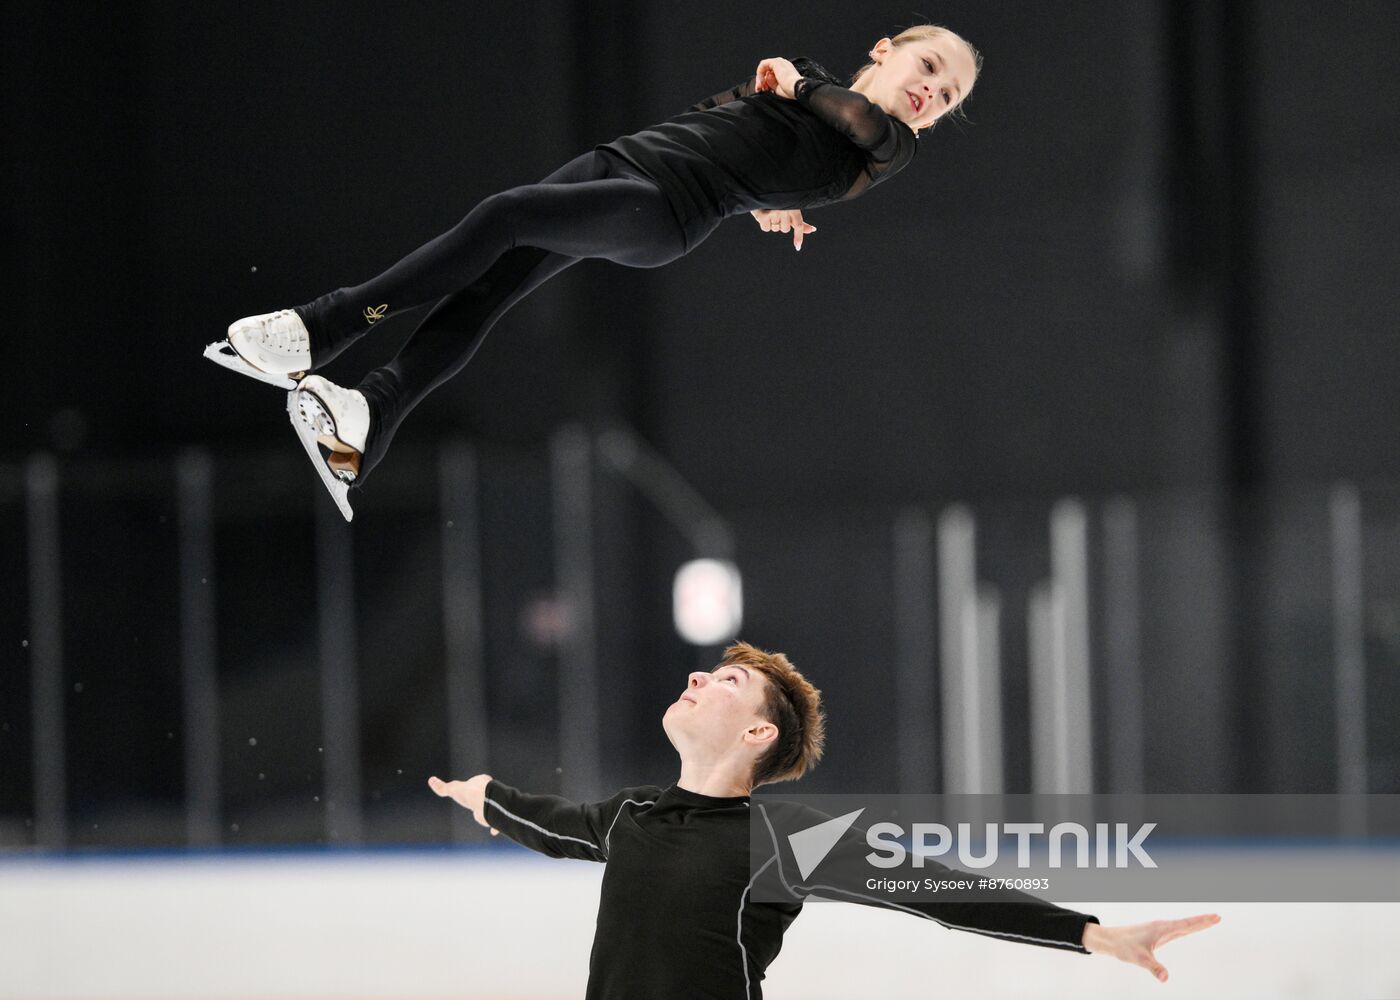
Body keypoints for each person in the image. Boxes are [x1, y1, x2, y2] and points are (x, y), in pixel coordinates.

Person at [205, 25, 984, 520]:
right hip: (623, 165)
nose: (931, 91)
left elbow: (856, 122)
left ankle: (320, 328)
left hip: (664, 212)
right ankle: (367, 426)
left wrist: (794, 90)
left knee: (504, 216)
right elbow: (725, 115)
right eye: (928, 66)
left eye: (946, 96)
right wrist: (767, 157)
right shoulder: (808, 78)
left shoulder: (884, 147)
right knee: (491, 283)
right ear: (885, 48)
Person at [429, 641, 1220, 999]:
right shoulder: (632, 814)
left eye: (727, 679)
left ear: (757, 733)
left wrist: (1086, 932)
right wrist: (487, 796)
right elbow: (560, 824)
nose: (699, 676)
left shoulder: (784, 839)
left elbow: (935, 888)